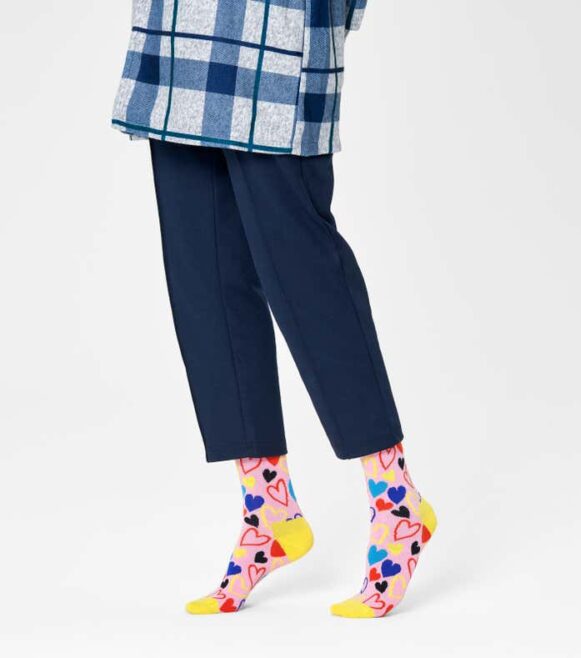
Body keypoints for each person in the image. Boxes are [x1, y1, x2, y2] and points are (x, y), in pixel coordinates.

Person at [111, 0, 436, 618]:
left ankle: (398, 504)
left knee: (302, 267)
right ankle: (268, 510)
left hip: (280, 20)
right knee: (202, 270)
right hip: (180, 21)